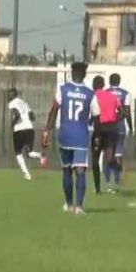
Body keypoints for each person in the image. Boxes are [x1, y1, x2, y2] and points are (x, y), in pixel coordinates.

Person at [43, 62, 100, 214]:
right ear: (85, 75)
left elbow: (54, 110)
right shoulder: (90, 94)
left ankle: (69, 205)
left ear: (71, 73)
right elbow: (97, 118)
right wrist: (97, 137)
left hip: (65, 136)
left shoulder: (63, 89)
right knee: (80, 170)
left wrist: (46, 131)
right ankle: (79, 207)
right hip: (81, 137)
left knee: (66, 170)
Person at [91, 75, 122, 194]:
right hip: (112, 129)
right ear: (103, 85)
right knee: (109, 158)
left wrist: (97, 135)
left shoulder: (94, 96)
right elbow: (122, 111)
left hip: (100, 128)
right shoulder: (112, 96)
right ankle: (117, 167)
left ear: (94, 85)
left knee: (95, 158)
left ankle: (98, 188)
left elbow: (95, 116)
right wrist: (115, 119)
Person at [7, 88, 42, 181]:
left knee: (18, 153)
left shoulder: (12, 103)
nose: (8, 96)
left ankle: (26, 174)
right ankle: (40, 155)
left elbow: (17, 115)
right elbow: (32, 116)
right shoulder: (24, 103)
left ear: (13, 95)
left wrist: (12, 124)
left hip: (19, 129)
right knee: (29, 153)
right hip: (29, 129)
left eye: (9, 94)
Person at [107, 74, 132, 190]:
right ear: (119, 81)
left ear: (109, 81)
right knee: (118, 155)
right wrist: (131, 127)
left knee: (108, 154)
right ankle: (117, 181)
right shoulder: (125, 93)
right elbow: (127, 112)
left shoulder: (105, 93)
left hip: (107, 127)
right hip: (120, 127)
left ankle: (108, 181)